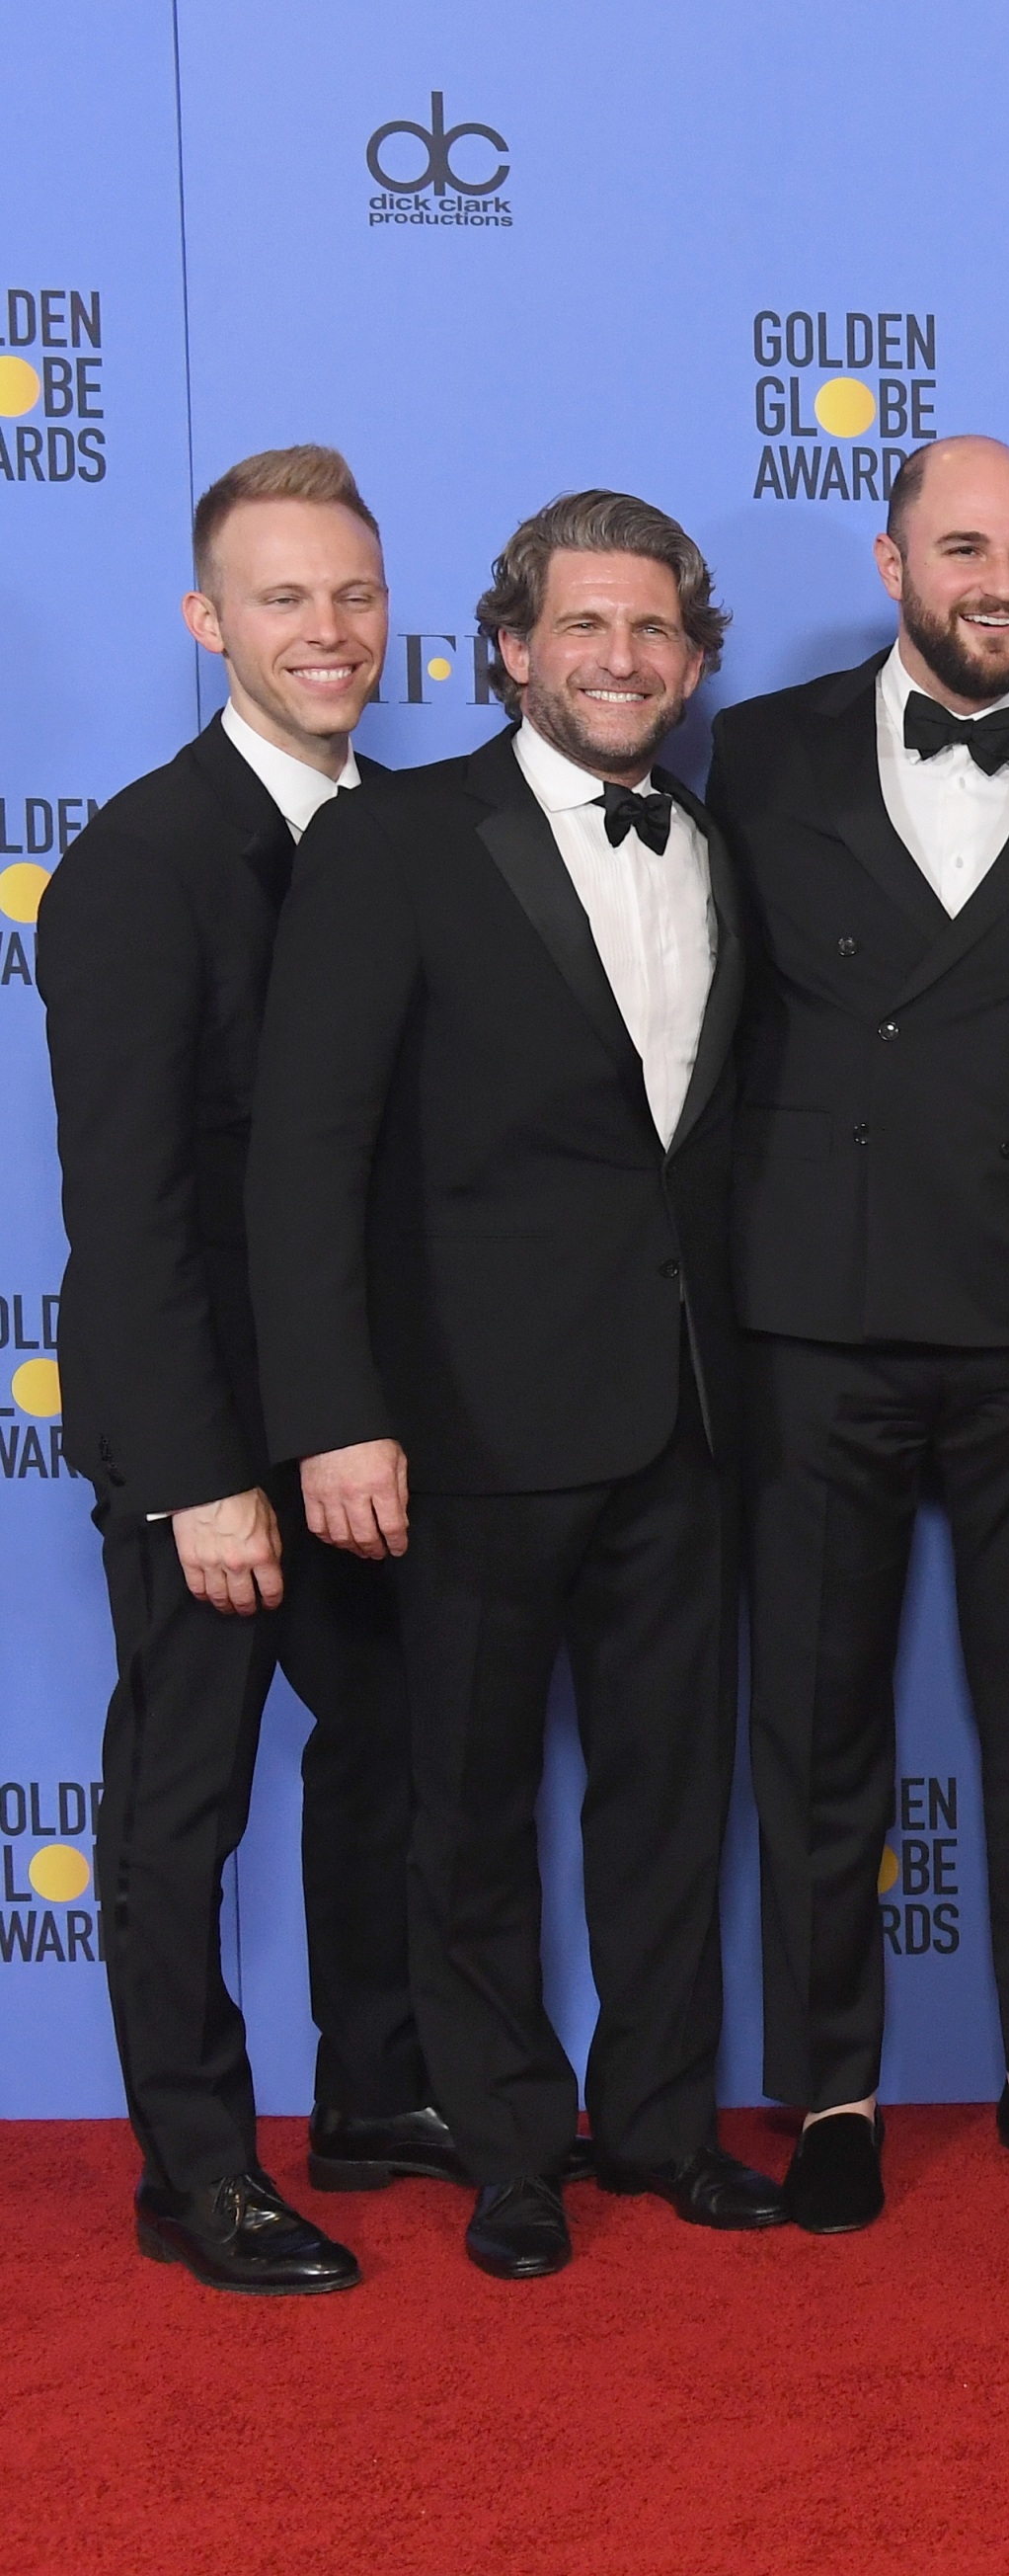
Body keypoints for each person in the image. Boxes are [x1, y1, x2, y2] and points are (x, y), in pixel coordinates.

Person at [249, 489, 786, 2279]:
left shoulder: (711, 846)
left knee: (666, 1799)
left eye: (654, 634)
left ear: (693, 663)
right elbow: (304, 1153)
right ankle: (503, 2151)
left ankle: (657, 2129)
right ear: (507, 648)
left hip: (684, 1420)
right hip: (464, 1424)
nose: (621, 661)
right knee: (465, 1804)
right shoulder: (395, 841)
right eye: (585, 628)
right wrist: (334, 1411)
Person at [709, 436, 1009, 2232]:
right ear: (890, 561)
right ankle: (832, 2089)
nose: (1001, 584)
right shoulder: (756, 749)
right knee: (817, 1725)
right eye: (964, 547)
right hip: (813, 1315)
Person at [43, 446, 447, 2294]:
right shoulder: (141, 859)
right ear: (211, 622)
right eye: (285, 599)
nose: (329, 632)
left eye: (353, 596)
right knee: (184, 1795)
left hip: (362, 1414)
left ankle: (375, 2095)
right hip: (202, 1425)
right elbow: (127, 1211)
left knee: (385, 1759)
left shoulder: (414, 833)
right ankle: (195, 2166)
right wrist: (203, 1473)